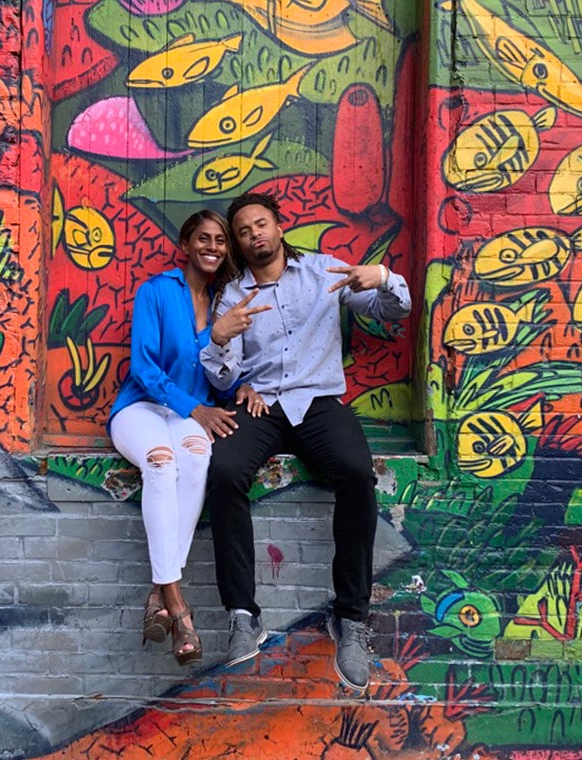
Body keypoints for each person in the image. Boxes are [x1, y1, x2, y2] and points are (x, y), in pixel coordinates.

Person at [200, 191, 412, 691]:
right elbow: (222, 377)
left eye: (261, 224)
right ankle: (242, 615)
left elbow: (395, 311)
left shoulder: (322, 272)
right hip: (261, 404)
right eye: (244, 231)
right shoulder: (233, 295)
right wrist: (220, 339)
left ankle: (351, 619)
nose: (254, 235)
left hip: (318, 400)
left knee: (356, 474)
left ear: (279, 227)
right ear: (239, 243)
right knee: (224, 471)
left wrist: (383, 277)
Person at [108, 210, 246, 665]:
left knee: (197, 460)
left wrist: (241, 383)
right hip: (142, 408)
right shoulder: (156, 291)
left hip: (191, 414)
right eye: (203, 238)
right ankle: (179, 605)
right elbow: (143, 368)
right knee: (161, 462)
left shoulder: (226, 303)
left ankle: (159, 594)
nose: (213, 247)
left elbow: (223, 377)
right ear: (186, 245)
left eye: (220, 241)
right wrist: (194, 408)